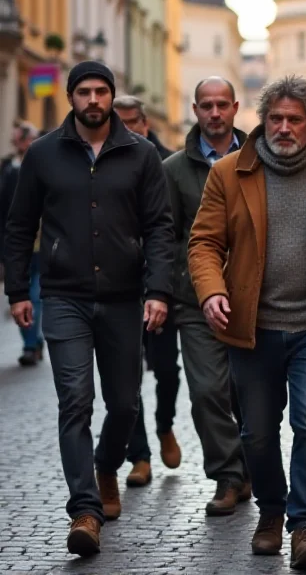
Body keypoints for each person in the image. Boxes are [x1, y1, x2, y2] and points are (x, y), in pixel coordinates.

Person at [188, 75, 306, 570]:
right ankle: (270, 512)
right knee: (256, 432)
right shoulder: (229, 173)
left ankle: (304, 525)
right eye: (276, 118)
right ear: (262, 120)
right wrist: (211, 291)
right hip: (252, 327)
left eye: (295, 119)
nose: (285, 127)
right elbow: (204, 243)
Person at [4, 61, 175, 557]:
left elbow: (160, 229)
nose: (93, 100)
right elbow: (18, 227)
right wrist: (18, 290)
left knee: (124, 403)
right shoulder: (43, 155)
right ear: (70, 97)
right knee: (75, 401)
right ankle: (85, 510)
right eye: (84, 92)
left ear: (111, 95)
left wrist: (159, 291)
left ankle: (106, 466)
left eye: (101, 91)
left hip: (124, 299)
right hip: (64, 297)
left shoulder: (141, 155)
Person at [164, 76, 251, 515]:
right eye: (206, 106)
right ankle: (228, 476)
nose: (214, 113)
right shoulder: (175, 169)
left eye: (222, 105)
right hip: (196, 299)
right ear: (195, 110)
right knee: (206, 391)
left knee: (248, 393)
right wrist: (163, 290)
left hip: (255, 297)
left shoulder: (262, 160)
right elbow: (168, 236)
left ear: (235, 107)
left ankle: (250, 464)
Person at [109, 95, 181, 487]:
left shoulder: (167, 161)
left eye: (130, 122)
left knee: (167, 369)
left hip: (160, 284)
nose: (123, 129)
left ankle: (165, 425)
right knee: (126, 375)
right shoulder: (100, 163)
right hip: (119, 287)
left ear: (145, 124)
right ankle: (139, 456)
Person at [0, 122, 43, 365]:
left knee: (36, 295)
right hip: (18, 246)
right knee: (19, 295)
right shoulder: (10, 169)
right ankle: (33, 341)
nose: (17, 143)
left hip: (44, 246)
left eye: (20, 139)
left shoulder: (45, 165)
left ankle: (30, 344)